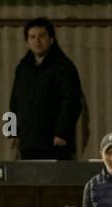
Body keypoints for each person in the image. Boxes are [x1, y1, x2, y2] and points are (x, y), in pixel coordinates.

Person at [9, 17, 84, 160]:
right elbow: (14, 102)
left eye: (42, 36)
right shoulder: (22, 68)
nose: (37, 41)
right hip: (28, 144)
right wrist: (11, 133)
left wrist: (62, 133)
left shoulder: (64, 67)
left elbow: (72, 102)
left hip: (55, 144)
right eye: (32, 37)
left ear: (51, 39)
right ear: (27, 42)